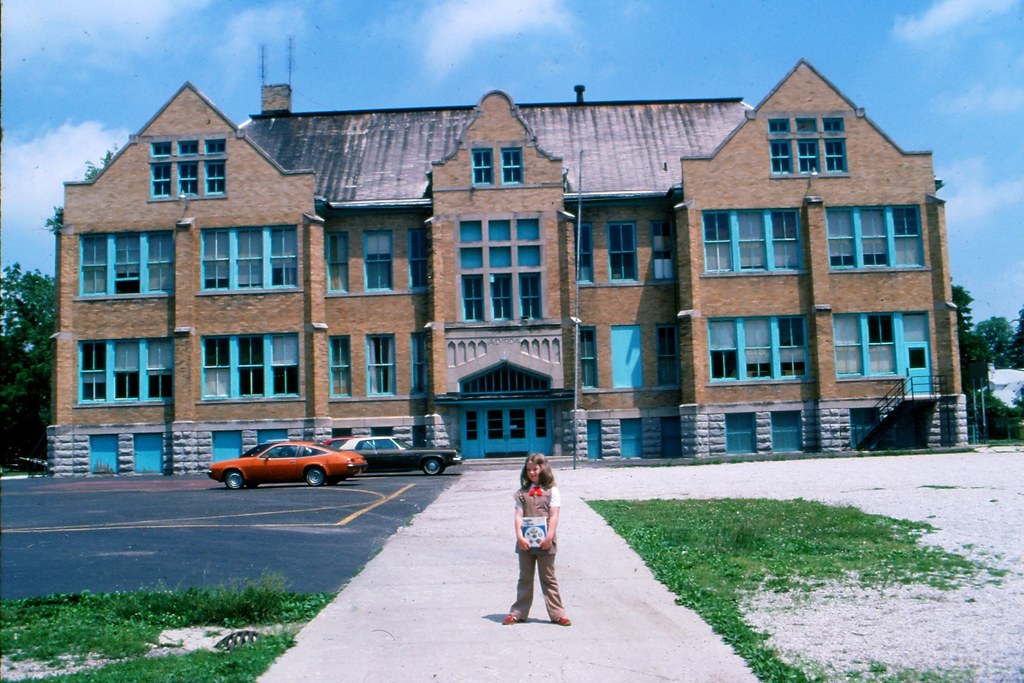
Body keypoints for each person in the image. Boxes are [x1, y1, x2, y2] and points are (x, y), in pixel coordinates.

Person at [502, 453, 571, 626]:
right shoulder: (522, 494)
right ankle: (518, 612)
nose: (532, 472)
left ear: (543, 469)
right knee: (525, 577)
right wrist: (519, 537)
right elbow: (518, 516)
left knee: (548, 578)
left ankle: (557, 614)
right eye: (529, 470)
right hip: (526, 542)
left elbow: (554, 516)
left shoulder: (552, 491)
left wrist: (549, 537)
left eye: (535, 469)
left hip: (546, 541)